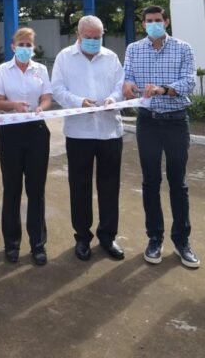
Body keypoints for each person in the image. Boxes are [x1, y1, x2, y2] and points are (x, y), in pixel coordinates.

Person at [123, 5, 199, 268]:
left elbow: (189, 82)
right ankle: (154, 239)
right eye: (149, 21)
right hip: (148, 123)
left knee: (178, 182)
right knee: (150, 181)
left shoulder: (183, 48)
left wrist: (163, 89)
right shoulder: (134, 49)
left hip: (176, 121)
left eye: (158, 20)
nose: (153, 24)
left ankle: (182, 241)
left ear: (166, 22)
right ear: (143, 24)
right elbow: (127, 78)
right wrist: (128, 86)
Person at [51, 15, 125, 262]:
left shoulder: (111, 57)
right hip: (79, 132)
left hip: (109, 131)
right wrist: (79, 102)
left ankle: (108, 236)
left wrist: (113, 99)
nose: (93, 41)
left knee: (109, 186)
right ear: (78, 35)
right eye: (89, 37)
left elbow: (120, 85)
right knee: (80, 186)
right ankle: (82, 237)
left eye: (98, 37)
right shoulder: (64, 58)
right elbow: (58, 89)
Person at [0, 28, 53, 265]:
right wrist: (13, 106)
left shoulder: (41, 70)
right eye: (21, 44)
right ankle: (12, 244)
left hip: (36, 131)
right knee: (12, 189)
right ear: (13, 46)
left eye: (29, 44)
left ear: (33, 47)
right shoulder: (2, 70)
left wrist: (41, 107)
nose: (25, 48)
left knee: (36, 190)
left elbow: (47, 96)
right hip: (10, 132)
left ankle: (38, 244)